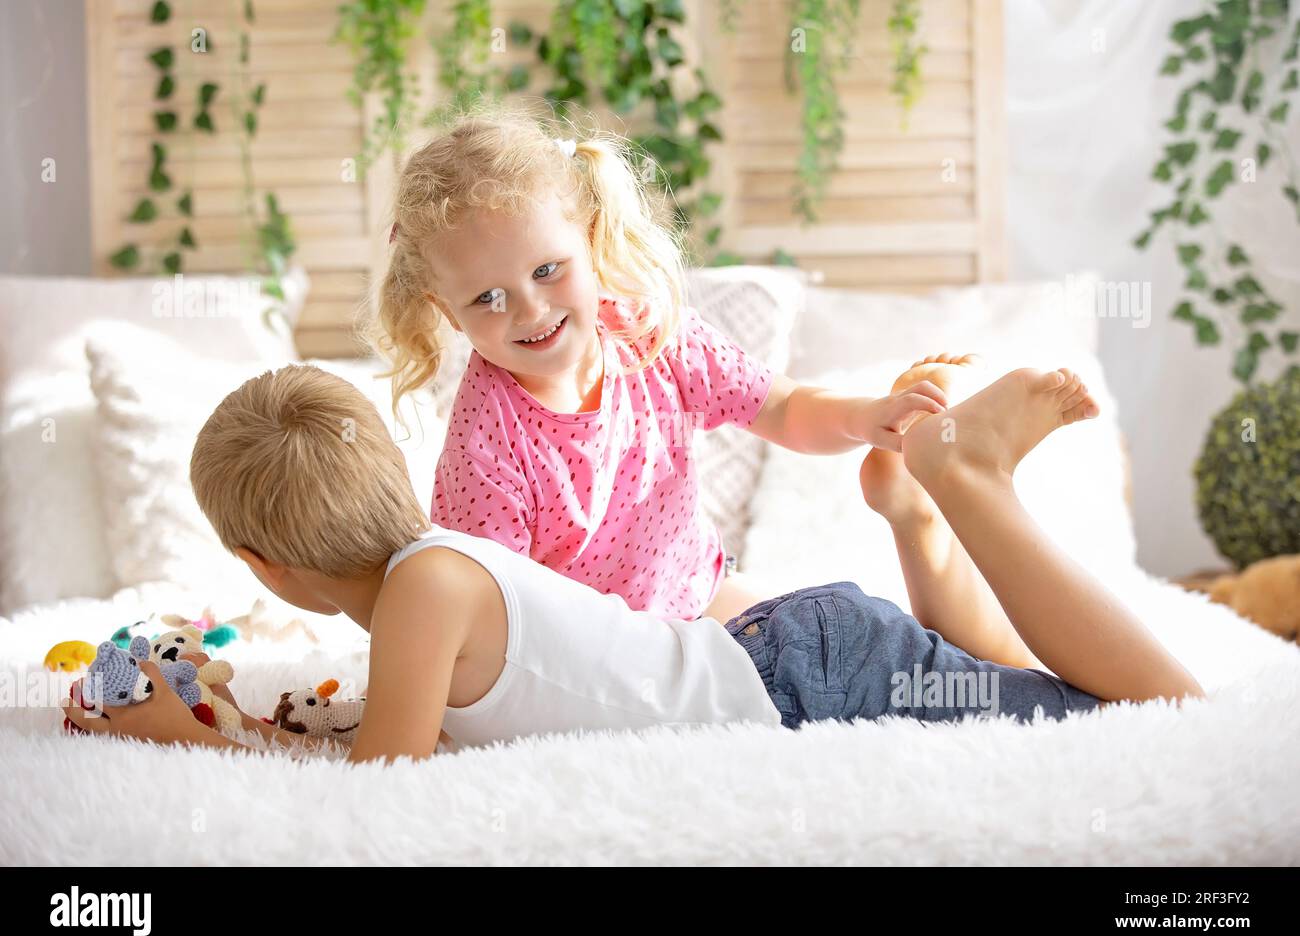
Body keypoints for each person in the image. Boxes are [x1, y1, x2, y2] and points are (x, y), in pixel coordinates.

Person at [61, 363, 1205, 764]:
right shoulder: (436, 570)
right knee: (1032, 686)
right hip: (802, 654)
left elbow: (377, 779)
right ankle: (918, 519)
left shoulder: (425, 587)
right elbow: (382, 730)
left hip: (802, 680)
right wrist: (254, 714)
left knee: (1155, 710)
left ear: (263, 564)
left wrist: (193, 729)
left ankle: (969, 480)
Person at [366, 99, 946, 625]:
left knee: (834, 630)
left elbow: (784, 408)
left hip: (702, 595)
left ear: (590, 240)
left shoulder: (648, 332)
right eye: (488, 299)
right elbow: (493, 614)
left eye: (547, 271)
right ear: (447, 309)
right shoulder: (484, 450)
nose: (530, 309)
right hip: (592, 654)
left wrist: (866, 417)